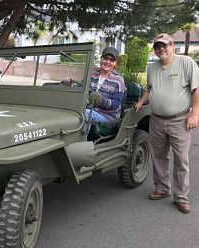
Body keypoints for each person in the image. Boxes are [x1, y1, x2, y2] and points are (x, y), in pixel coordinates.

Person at [135, 33, 199, 213]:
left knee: (181, 160)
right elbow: (149, 89)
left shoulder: (186, 62)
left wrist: (194, 114)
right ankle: (162, 189)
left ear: (172, 45)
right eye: (157, 46)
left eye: (164, 45)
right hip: (156, 120)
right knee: (159, 156)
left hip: (179, 120)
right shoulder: (152, 68)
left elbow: (196, 90)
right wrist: (140, 103)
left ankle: (181, 197)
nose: (161, 49)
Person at [85, 47, 125, 131]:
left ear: (115, 63)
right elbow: (82, 89)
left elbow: (116, 103)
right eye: (105, 58)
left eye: (111, 60)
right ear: (101, 59)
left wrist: (100, 101)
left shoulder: (118, 80)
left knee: (85, 114)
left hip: (108, 116)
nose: (107, 62)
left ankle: (80, 143)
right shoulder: (93, 76)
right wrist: (71, 83)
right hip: (90, 110)